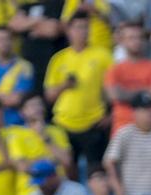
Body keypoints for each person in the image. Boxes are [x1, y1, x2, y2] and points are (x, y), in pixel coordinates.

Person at [43, 13, 112, 172]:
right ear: (69, 30)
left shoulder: (103, 56)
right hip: (64, 122)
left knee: (96, 171)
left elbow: (112, 88)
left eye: (86, 27)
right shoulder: (59, 59)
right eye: (78, 27)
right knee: (67, 169)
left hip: (94, 122)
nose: (83, 31)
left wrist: (110, 114)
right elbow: (49, 96)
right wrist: (64, 86)